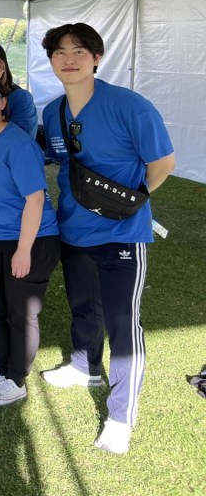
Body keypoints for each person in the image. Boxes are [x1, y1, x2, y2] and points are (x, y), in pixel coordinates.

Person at [40, 23, 175, 455]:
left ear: (96, 58)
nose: (69, 59)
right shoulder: (53, 112)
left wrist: (131, 202)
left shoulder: (130, 106)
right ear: (51, 60)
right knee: (84, 307)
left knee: (122, 321)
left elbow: (163, 163)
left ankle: (120, 416)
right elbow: (60, 160)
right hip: (73, 229)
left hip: (122, 233)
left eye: (79, 51)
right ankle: (85, 367)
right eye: (60, 52)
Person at [0, 73, 60, 407]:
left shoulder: (18, 143)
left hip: (32, 239)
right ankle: (3, 369)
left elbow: (35, 200)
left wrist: (23, 250)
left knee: (21, 313)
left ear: (3, 102)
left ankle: (16, 379)